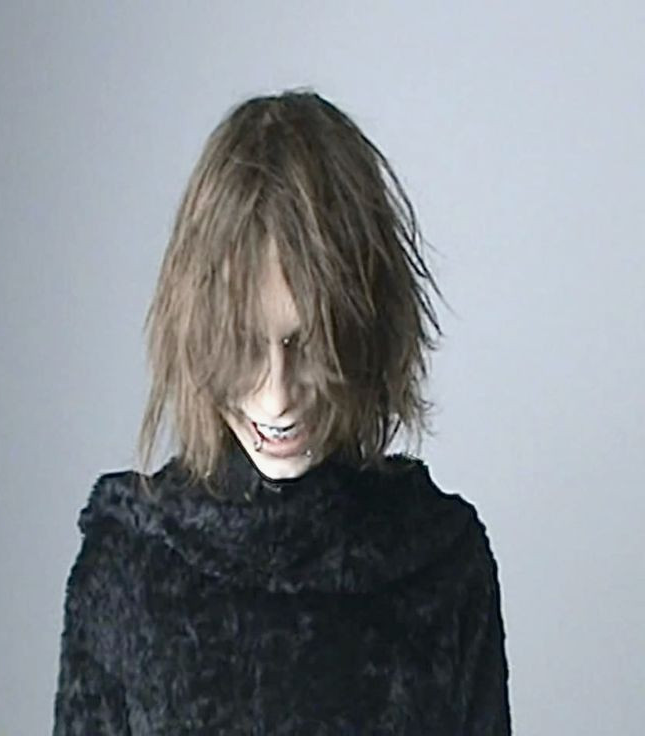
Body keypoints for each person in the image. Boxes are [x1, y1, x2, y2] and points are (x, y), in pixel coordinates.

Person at [52, 88, 512, 734]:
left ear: (366, 330)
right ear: (198, 330)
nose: (277, 396)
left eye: (308, 344)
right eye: (244, 344)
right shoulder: (129, 564)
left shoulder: (442, 562)